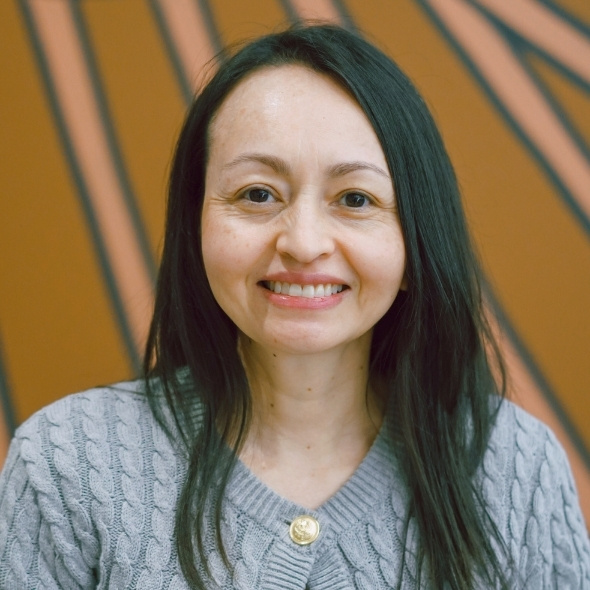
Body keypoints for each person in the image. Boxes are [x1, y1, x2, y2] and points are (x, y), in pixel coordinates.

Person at [0, 24, 588, 590]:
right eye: (257, 194)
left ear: (415, 240)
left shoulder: (517, 467)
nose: (303, 243)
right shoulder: (67, 463)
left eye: (355, 199)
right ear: (196, 224)